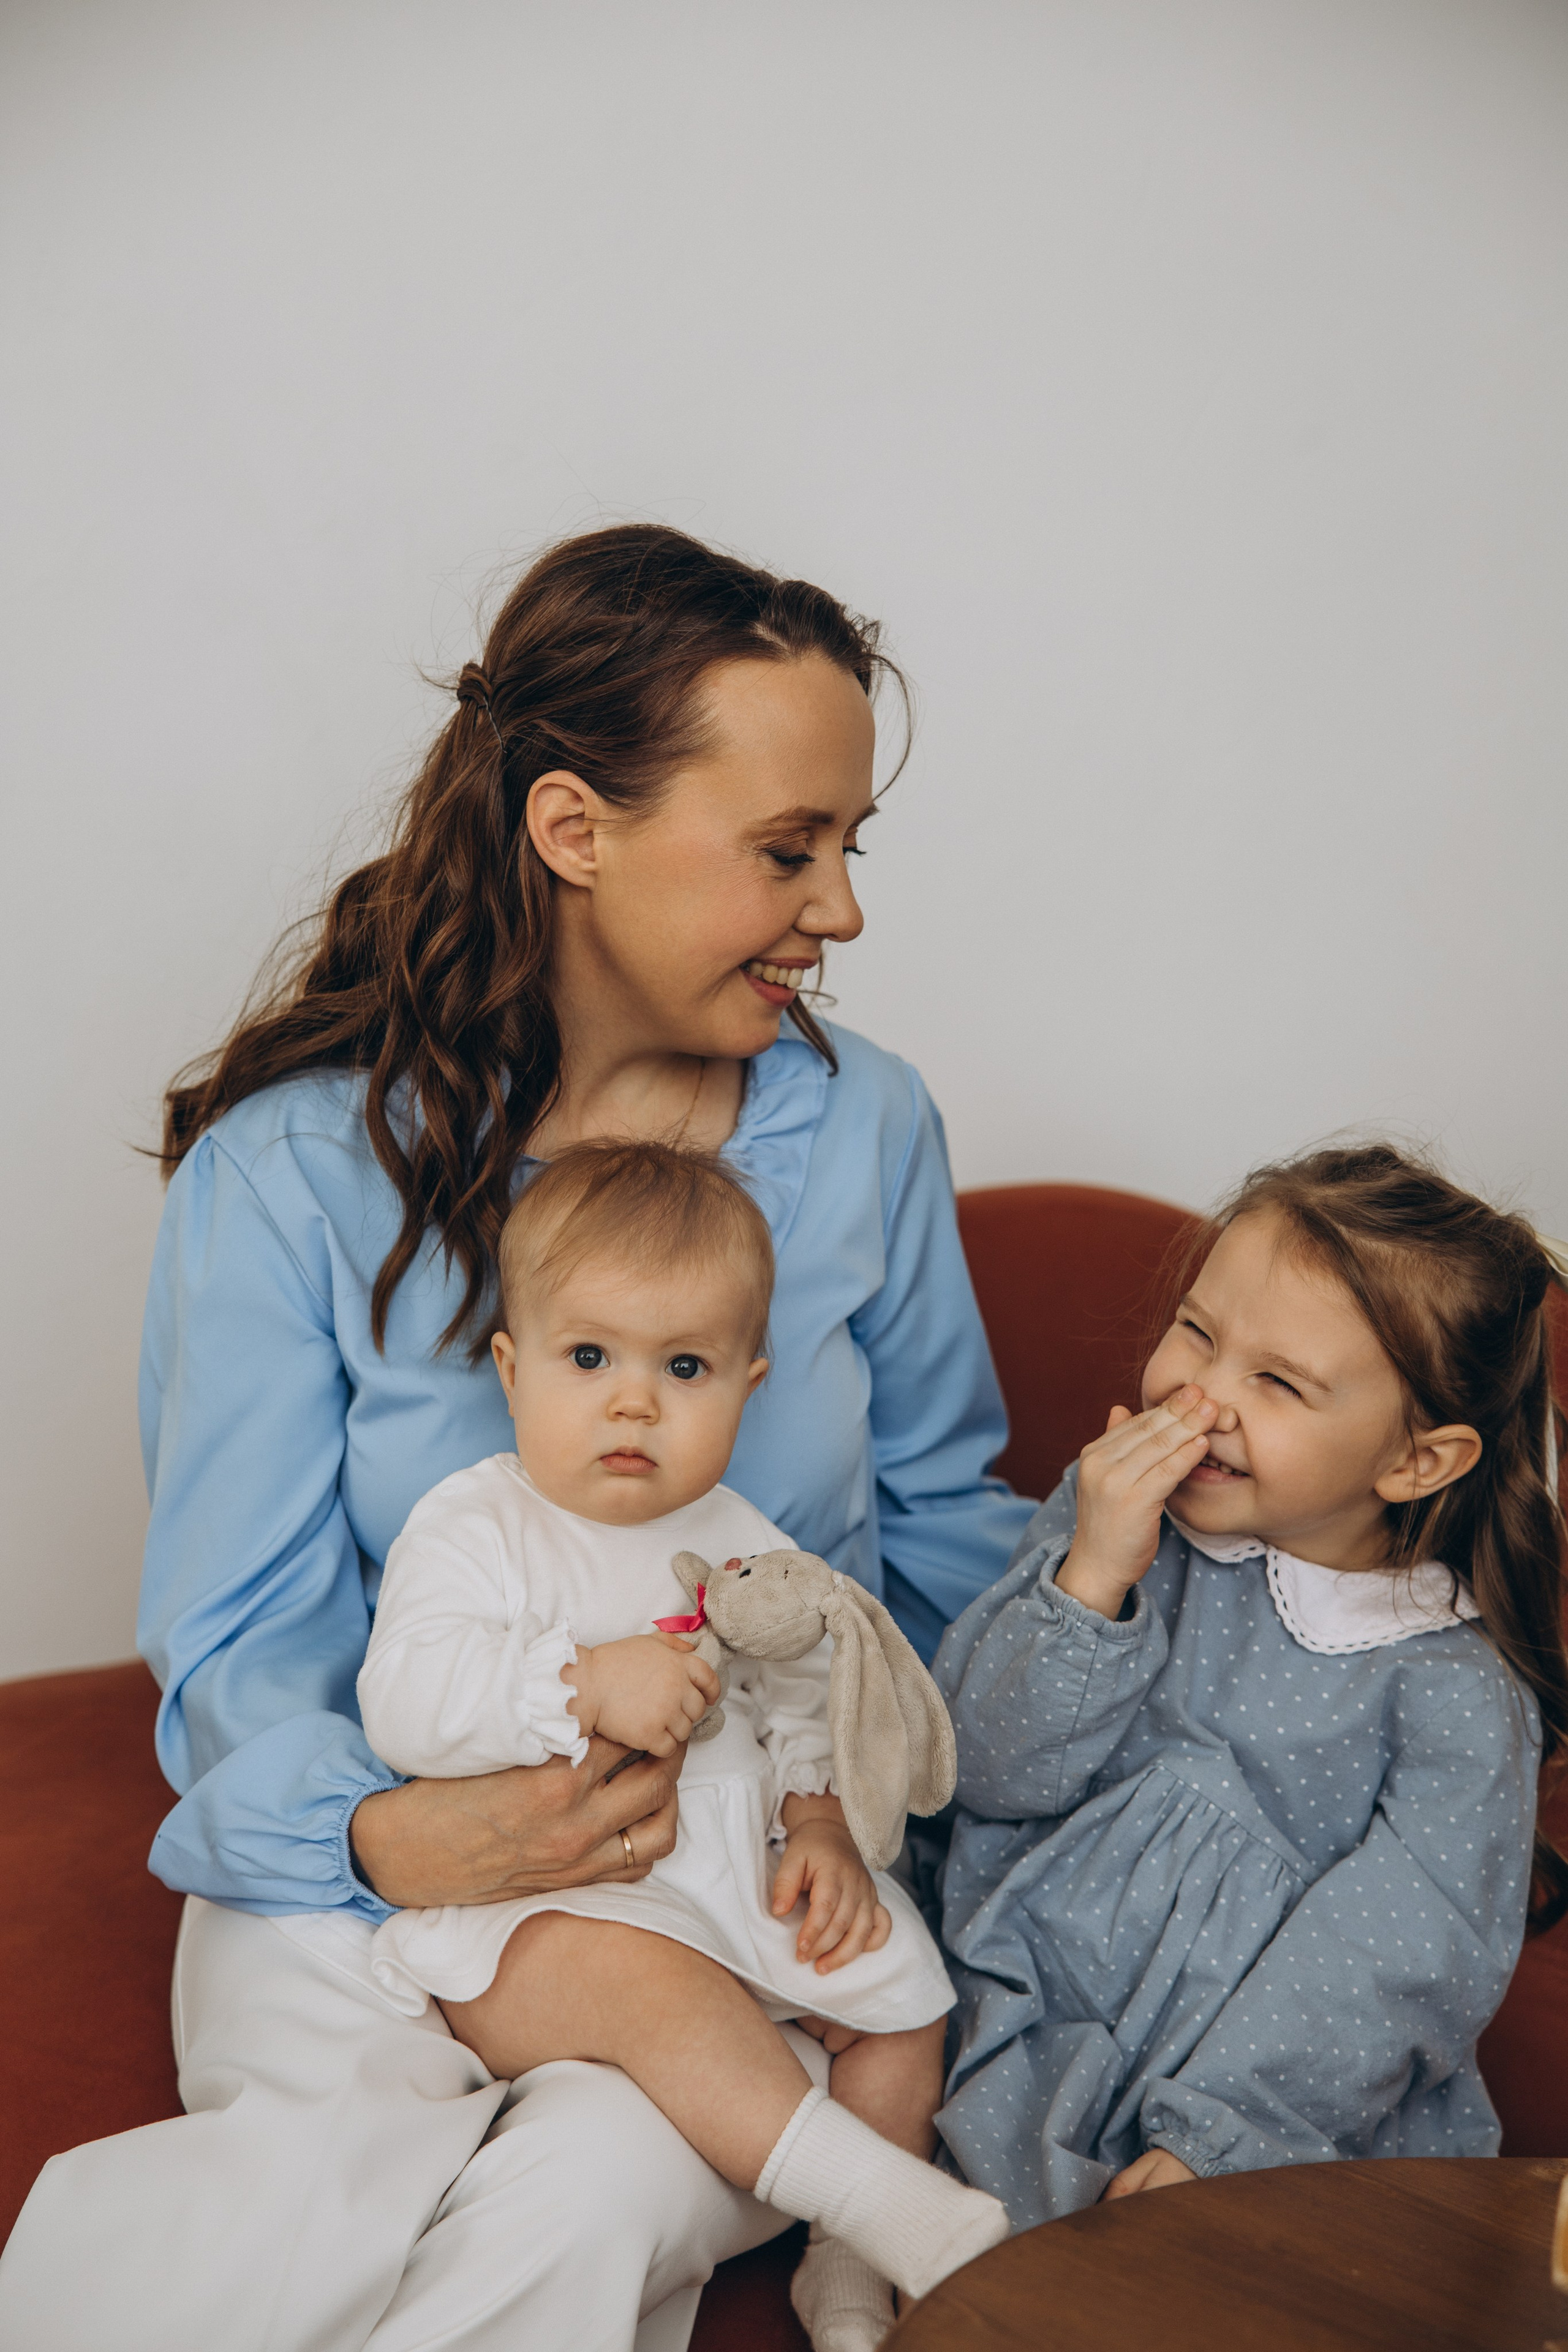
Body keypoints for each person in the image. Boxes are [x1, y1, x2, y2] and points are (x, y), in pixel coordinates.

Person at [0, 525, 1035, 2352]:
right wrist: (409, 1839)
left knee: (590, 2202)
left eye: (850, 849)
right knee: (309, 2209)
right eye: (790, 851)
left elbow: (946, 1526)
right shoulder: (294, 1178)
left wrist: (949, 1791)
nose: (844, 910)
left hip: (720, 1875)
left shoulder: (865, 1129)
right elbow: (241, 1651)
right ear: (577, 831)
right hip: (364, 1866)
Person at [361, 1139, 1008, 2352]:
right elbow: (407, 1698)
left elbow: (798, 1690)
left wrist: (814, 1818)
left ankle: (847, 2272)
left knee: (905, 1994)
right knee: (647, 1985)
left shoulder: (737, 1537)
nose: (634, 1401)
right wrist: (579, 1682)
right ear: (511, 1369)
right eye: (589, 1356)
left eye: (685, 1366)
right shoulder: (476, 1525)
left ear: (747, 1386)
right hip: (542, 1915)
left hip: (720, 1878)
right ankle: (872, 2197)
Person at [933, 1143, 1568, 2229]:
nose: (1202, 1394)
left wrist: (1220, 2138)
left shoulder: (1450, 1685)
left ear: (1417, 1461)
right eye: (1197, 1332)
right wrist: (1092, 1576)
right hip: (1002, 1996)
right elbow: (974, 1772)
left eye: (1278, 1382)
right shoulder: (1119, 1528)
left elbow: (1397, 1959)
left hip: (1249, 2101)